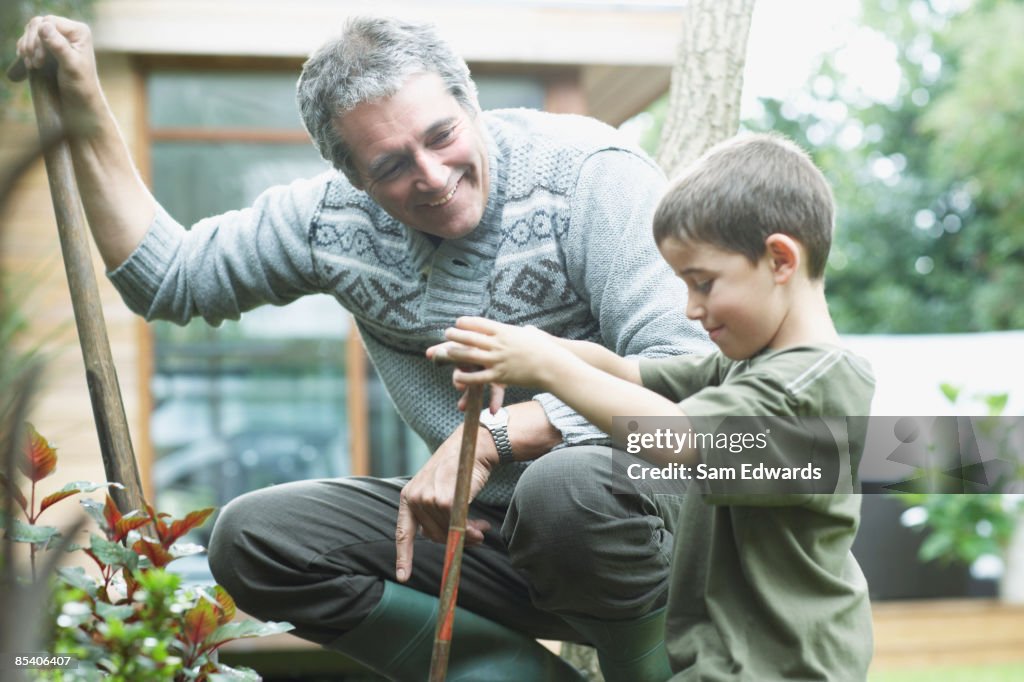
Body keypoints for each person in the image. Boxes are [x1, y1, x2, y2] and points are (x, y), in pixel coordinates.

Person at [16, 13, 711, 682]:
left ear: (470, 101)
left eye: (442, 135)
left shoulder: (589, 176)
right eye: (392, 165)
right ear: (354, 178)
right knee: (254, 540)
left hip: (666, 524)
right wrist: (84, 99)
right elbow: (169, 276)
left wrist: (500, 436)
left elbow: (687, 385)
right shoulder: (332, 224)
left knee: (568, 489)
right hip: (503, 538)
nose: (433, 175)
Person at [436, 132, 876, 680]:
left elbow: (678, 440)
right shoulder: (747, 366)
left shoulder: (811, 384)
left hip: (786, 667)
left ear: (780, 259)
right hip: (725, 662)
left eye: (704, 284)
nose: (691, 310)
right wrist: (524, 346)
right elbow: (628, 372)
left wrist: (548, 368)